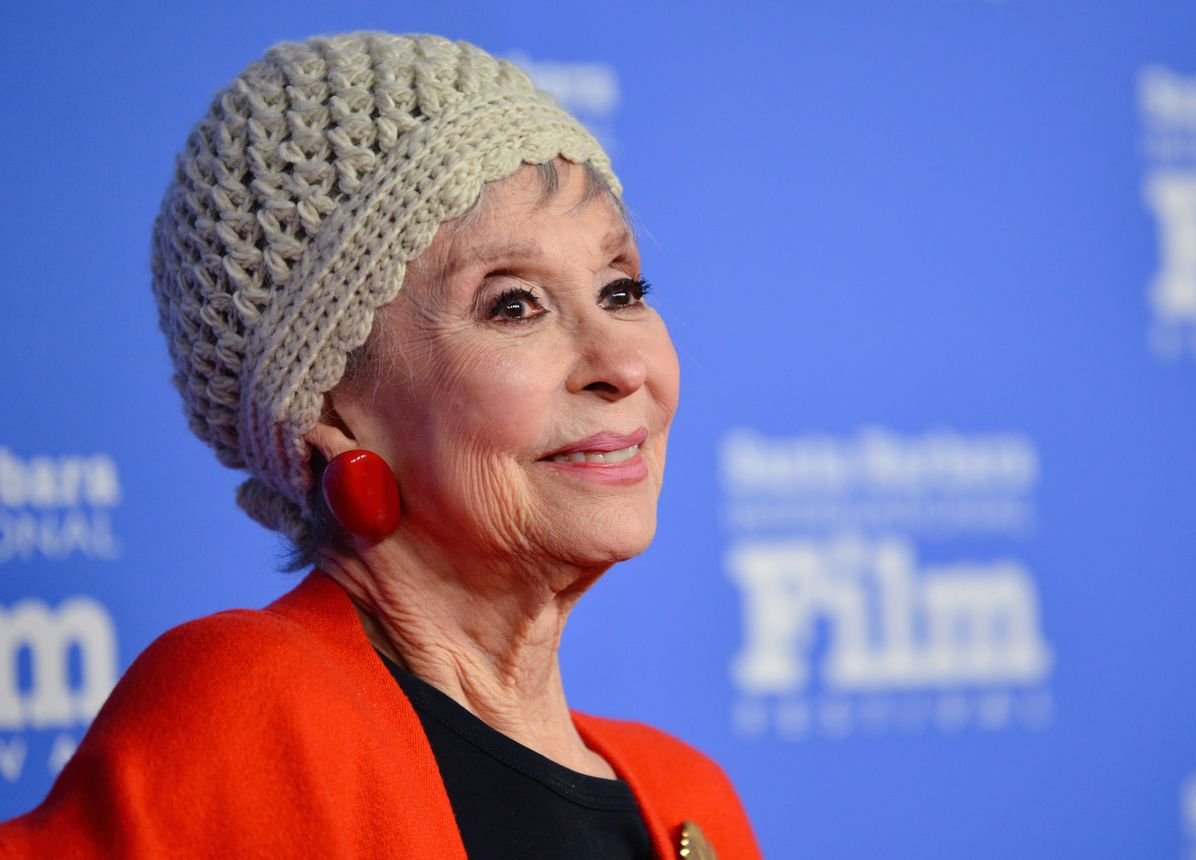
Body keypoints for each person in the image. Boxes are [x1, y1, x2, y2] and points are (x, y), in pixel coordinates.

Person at [0, 32, 759, 859]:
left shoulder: (691, 797)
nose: (620, 363)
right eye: (513, 306)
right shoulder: (251, 713)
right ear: (328, 412)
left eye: (622, 290)